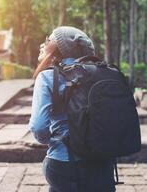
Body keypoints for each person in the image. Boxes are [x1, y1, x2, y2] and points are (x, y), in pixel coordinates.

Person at [28, 26, 116, 192]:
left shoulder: (48, 76)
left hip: (64, 162)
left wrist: (56, 140)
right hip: (102, 162)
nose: (42, 44)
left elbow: (38, 127)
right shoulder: (102, 73)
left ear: (58, 47)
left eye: (48, 40)